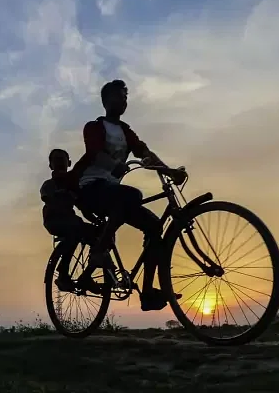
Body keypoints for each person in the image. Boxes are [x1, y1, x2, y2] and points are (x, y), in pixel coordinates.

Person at [67, 79, 187, 311]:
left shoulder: (126, 131)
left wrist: (169, 171)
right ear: (105, 101)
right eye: (117, 96)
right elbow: (95, 153)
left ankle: (148, 292)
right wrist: (113, 164)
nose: (122, 101)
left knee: (153, 226)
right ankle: (100, 249)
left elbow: (145, 153)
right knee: (132, 194)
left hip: (113, 194)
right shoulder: (94, 126)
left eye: (124, 97)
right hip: (90, 188)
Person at [40, 148, 99, 293]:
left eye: (62, 159)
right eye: (56, 159)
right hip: (55, 221)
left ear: (69, 163)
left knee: (101, 234)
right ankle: (63, 273)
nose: (60, 162)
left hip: (73, 221)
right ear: (50, 165)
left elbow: (83, 208)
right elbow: (49, 198)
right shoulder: (49, 184)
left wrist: (96, 219)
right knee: (74, 232)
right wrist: (66, 194)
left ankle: (89, 273)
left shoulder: (73, 184)